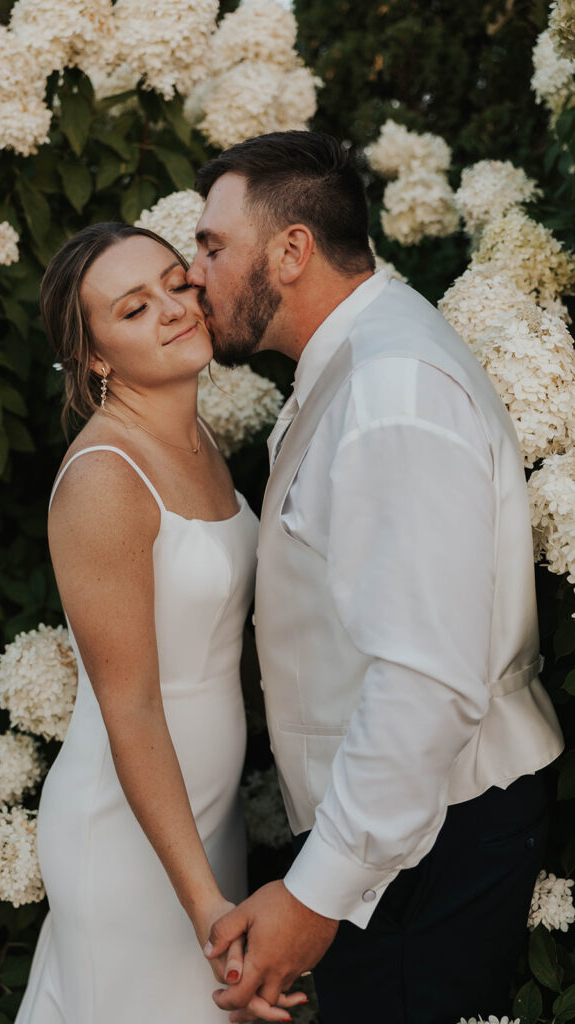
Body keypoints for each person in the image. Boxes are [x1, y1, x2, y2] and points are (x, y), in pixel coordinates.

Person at [186, 131, 565, 1024]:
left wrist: (317, 892)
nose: (192, 272)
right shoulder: (361, 359)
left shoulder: (389, 390)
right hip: (407, 831)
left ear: (290, 250)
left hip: (430, 836)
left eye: (211, 246)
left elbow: (423, 679)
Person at [14, 223, 305, 1024]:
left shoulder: (199, 438)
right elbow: (132, 707)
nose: (174, 309)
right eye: (135, 308)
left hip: (203, 815)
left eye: (177, 283)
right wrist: (204, 902)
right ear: (96, 357)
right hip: (127, 837)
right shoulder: (106, 478)